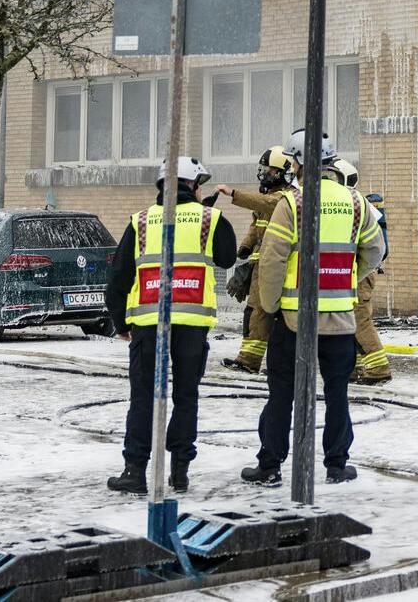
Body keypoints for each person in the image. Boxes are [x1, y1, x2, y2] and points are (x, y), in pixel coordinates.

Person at [241, 132, 383, 487]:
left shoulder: (293, 204)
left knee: (281, 395)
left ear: (300, 163)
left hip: (292, 320)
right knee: (337, 395)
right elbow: (375, 252)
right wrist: (347, 279)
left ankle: (270, 464)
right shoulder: (356, 202)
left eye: (292, 161)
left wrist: (271, 306)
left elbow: (273, 260)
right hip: (340, 320)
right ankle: (336, 465)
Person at [104, 157, 238, 494]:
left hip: (148, 325)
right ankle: (179, 471)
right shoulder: (210, 218)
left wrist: (121, 321)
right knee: (186, 396)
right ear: (192, 186)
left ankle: (134, 472)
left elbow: (118, 277)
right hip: (192, 325)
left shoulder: (142, 221)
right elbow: (227, 257)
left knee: (143, 398)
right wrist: (207, 218)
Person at [217, 146, 297, 375]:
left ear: (283, 173)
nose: (264, 174)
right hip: (260, 264)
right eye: (263, 170)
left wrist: (233, 194)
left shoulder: (286, 198)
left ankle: (257, 361)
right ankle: (248, 360)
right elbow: (256, 223)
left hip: (278, 266)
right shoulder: (268, 197)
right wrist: (245, 246)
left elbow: (264, 205)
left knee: (265, 313)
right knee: (254, 312)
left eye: (270, 171)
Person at [326, 157, 392, 386]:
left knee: (360, 319)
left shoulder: (358, 206)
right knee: (348, 320)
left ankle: (378, 368)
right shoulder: (354, 204)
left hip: (360, 274)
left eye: (333, 177)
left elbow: (374, 248)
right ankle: (352, 368)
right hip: (352, 272)